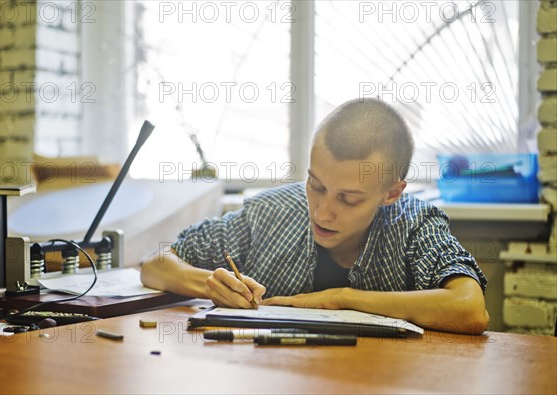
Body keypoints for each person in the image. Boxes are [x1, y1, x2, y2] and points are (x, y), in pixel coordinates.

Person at [141, 98, 489, 335]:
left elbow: (469, 308)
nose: (322, 212)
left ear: (391, 193)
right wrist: (210, 285)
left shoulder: (414, 223)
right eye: (316, 185)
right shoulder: (272, 212)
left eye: (349, 199)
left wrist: (343, 299)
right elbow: (156, 264)